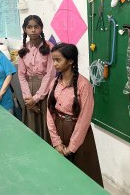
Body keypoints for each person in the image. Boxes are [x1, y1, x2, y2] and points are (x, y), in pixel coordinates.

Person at [46, 43, 103, 187]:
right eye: (53, 60)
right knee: (59, 176)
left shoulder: (84, 85)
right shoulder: (54, 82)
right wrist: (56, 142)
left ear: (71, 61)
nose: (55, 64)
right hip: (58, 130)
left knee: (82, 178)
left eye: (58, 60)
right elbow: (49, 113)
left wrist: (71, 148)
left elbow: (84, 119)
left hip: (78, 135)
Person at [18, 15, 55, 142]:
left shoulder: (49, 47)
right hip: (28, 90)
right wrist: (28, 99)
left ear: (41, 28)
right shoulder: (23, 49)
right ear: (24, 29)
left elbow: (50, 74)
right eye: (29, 27)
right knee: (32, 125)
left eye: (36, 27)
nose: (33, 30)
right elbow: (22, 75)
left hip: (45, 90)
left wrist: (36, 98)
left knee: (46, 123)